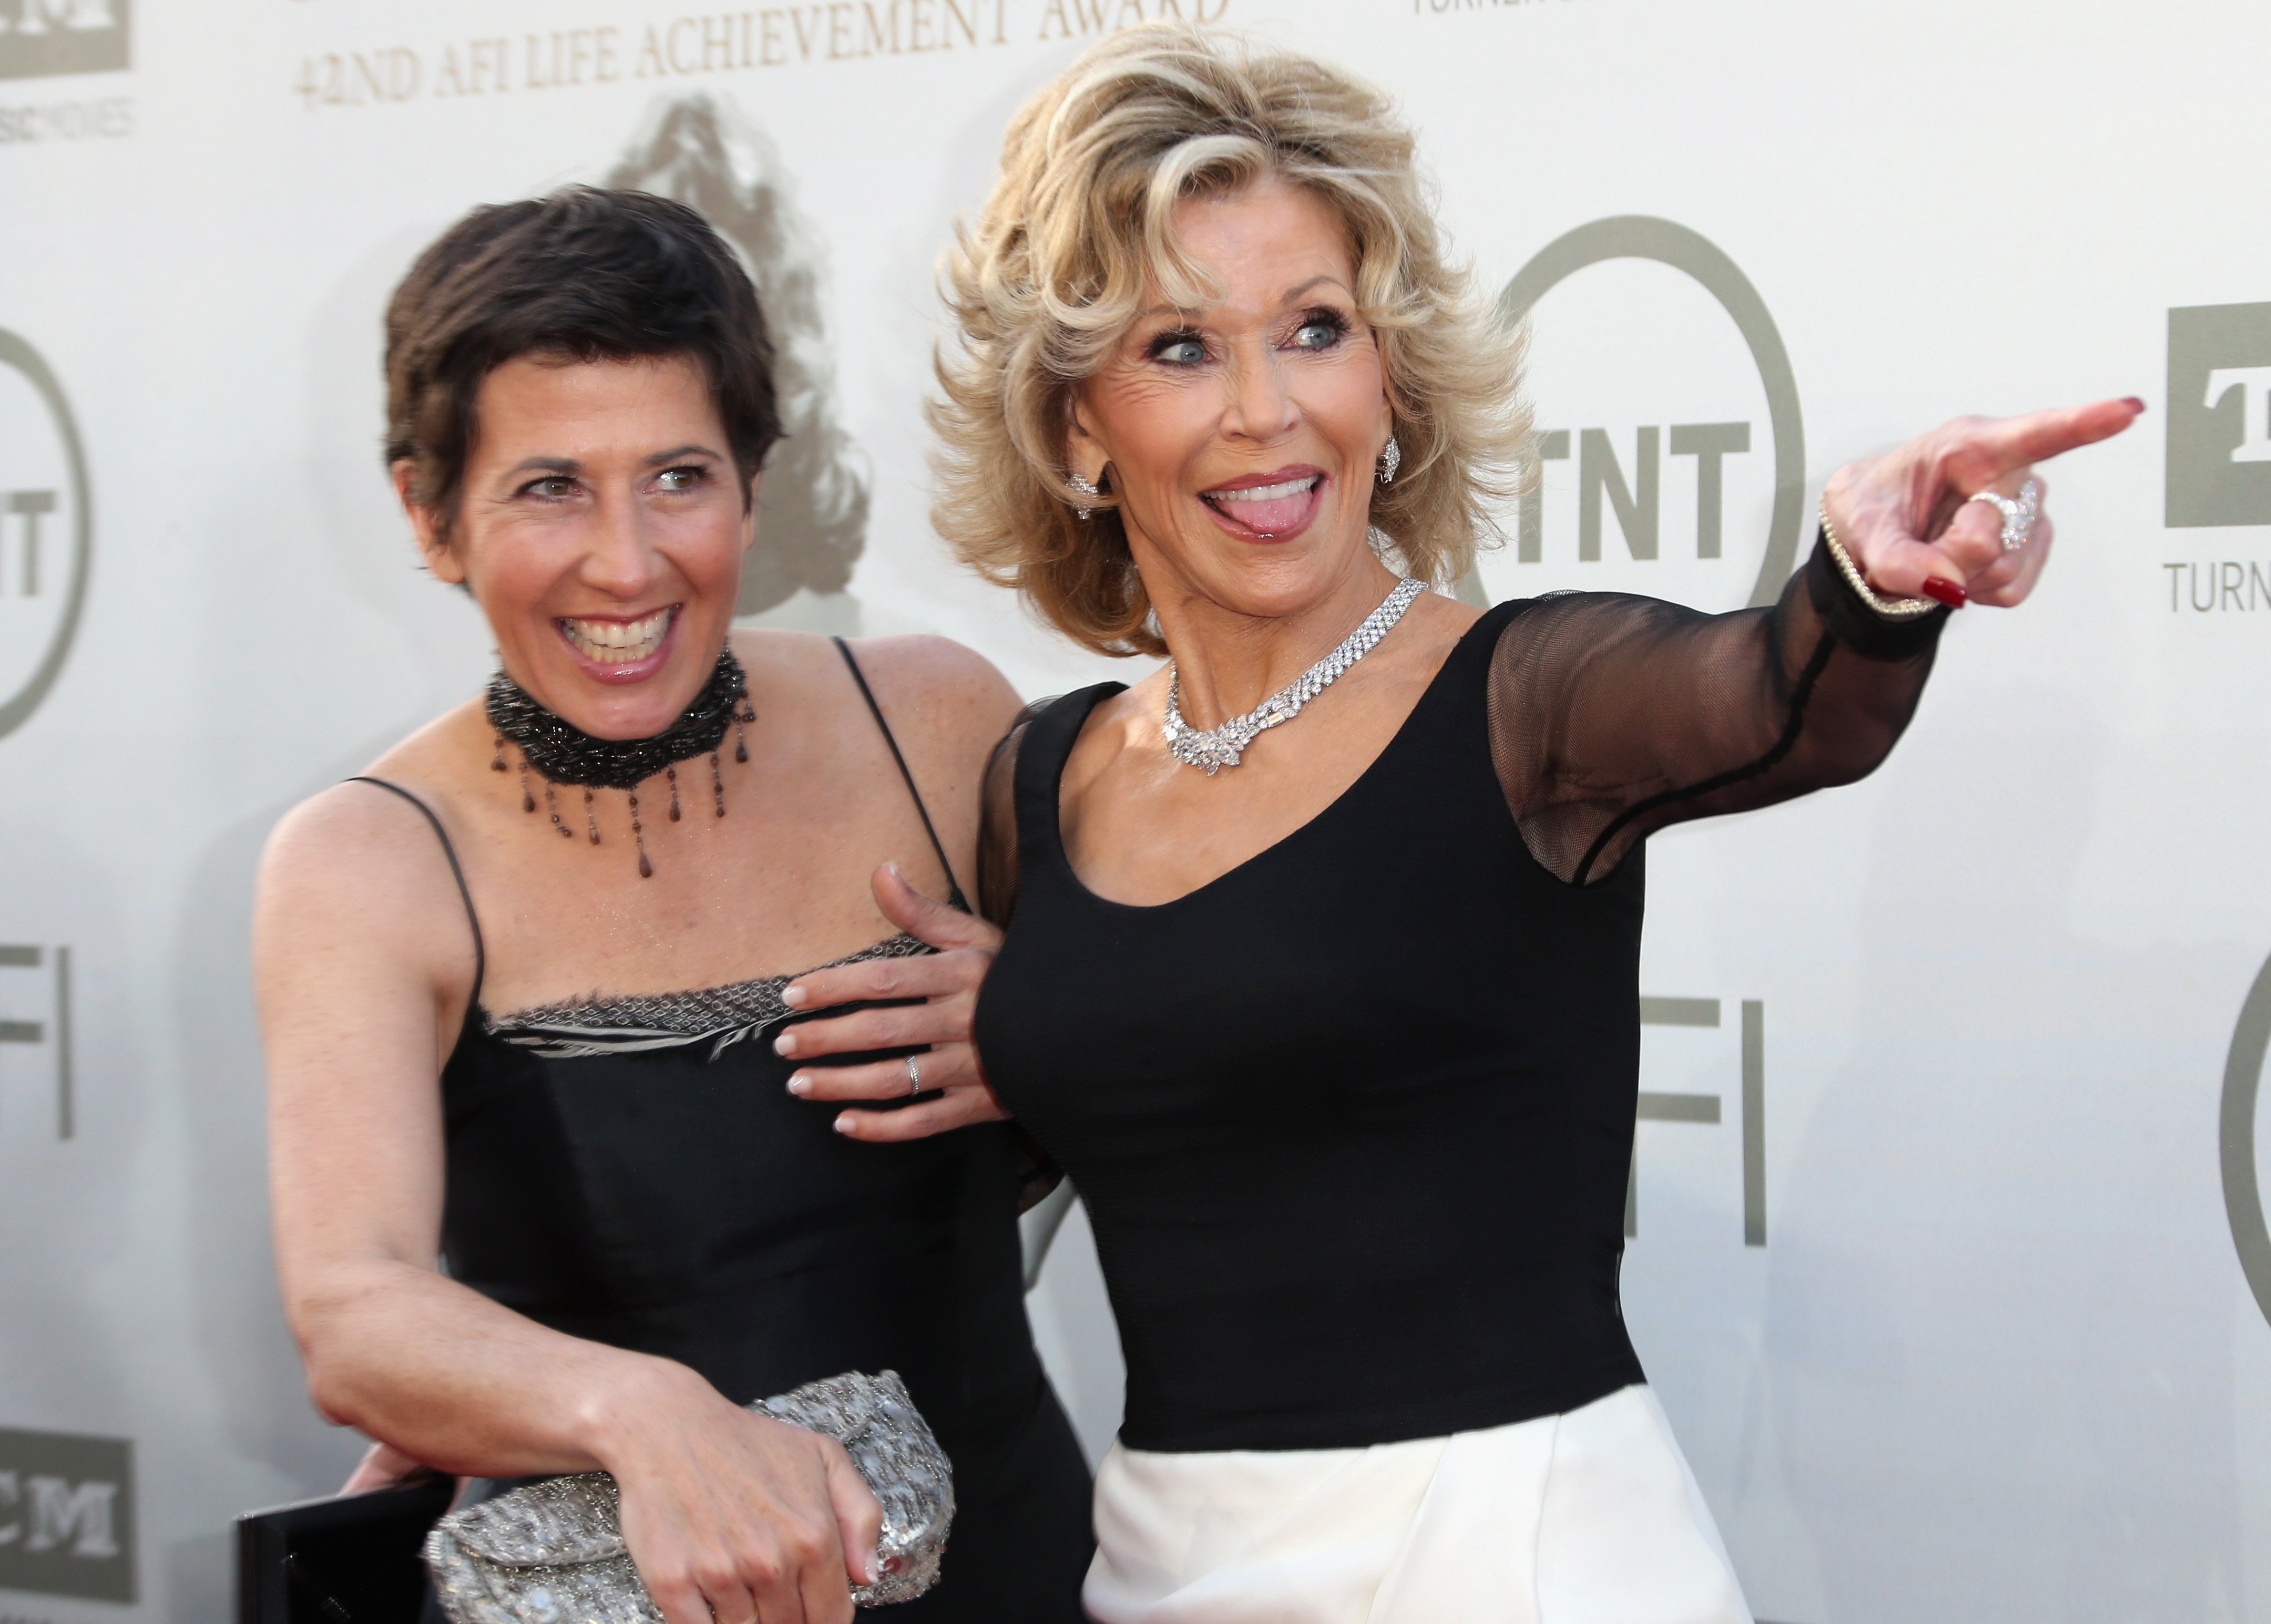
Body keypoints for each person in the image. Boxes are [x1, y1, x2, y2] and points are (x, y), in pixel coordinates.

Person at [779, 25, 2142, 1622]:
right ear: (1076, 425)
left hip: (1518, 1556)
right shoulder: (1044, 779)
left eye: (1314, 329)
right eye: (1177, 349)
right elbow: (1093, 1130)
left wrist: (1863, 584)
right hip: (1168, 1562)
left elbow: (1784, 698)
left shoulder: (1528, 704)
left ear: (1392, 373)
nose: (1265, 412)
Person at [253, 187, 1092, 1624]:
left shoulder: (937, 721)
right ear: (430, 510)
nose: (627, 562)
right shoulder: (369, 859)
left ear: (755, 484)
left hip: (1015, 1568)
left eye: (679, 477)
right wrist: (636, 1412)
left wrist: (1051, 1025)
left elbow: (1182, 1081)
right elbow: (354, 1309)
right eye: (549, 485)